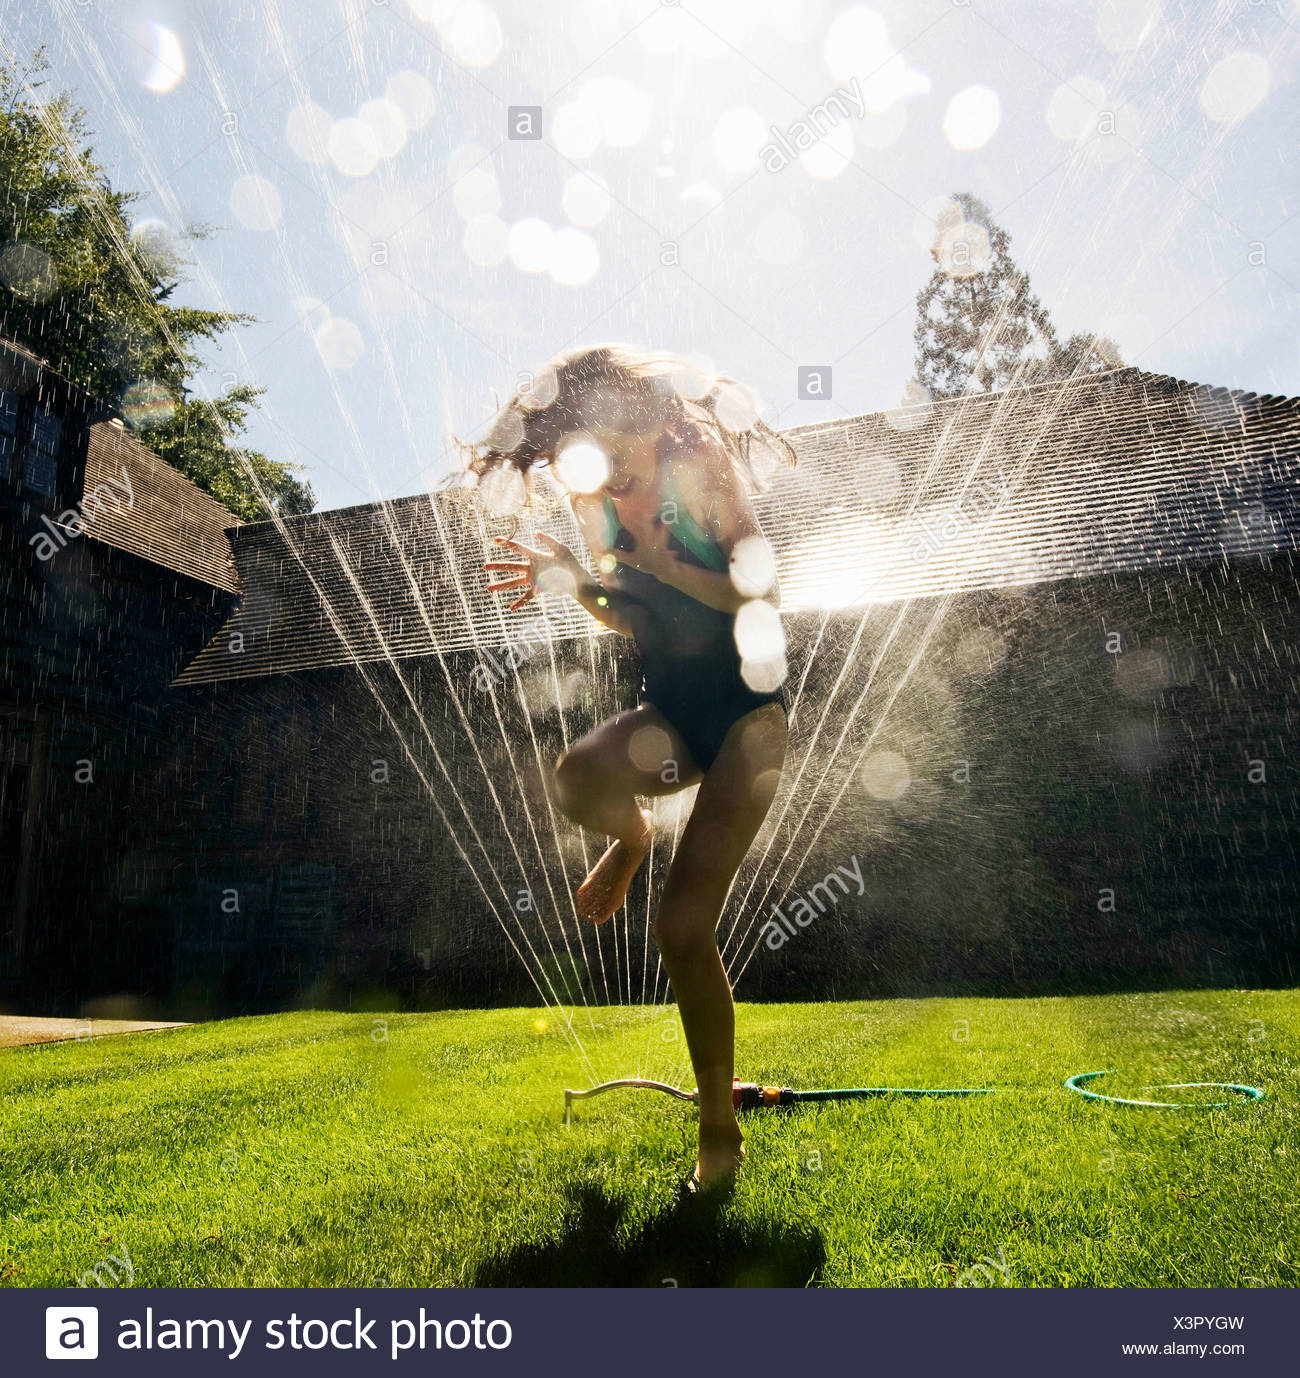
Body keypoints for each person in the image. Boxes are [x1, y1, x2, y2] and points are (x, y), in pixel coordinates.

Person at [467, 343, 796, 1189]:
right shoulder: (599, 504)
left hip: (749, 722)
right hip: (675, 716)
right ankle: (634, 834)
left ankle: (720, 1133)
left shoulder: (701, 474)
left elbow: (760, 598)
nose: (601, 476)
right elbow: (633, 617)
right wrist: (577, 582)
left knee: (682, 929)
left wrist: (663, 562)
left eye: (610, 454)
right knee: (578, 777)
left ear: (642, 420)